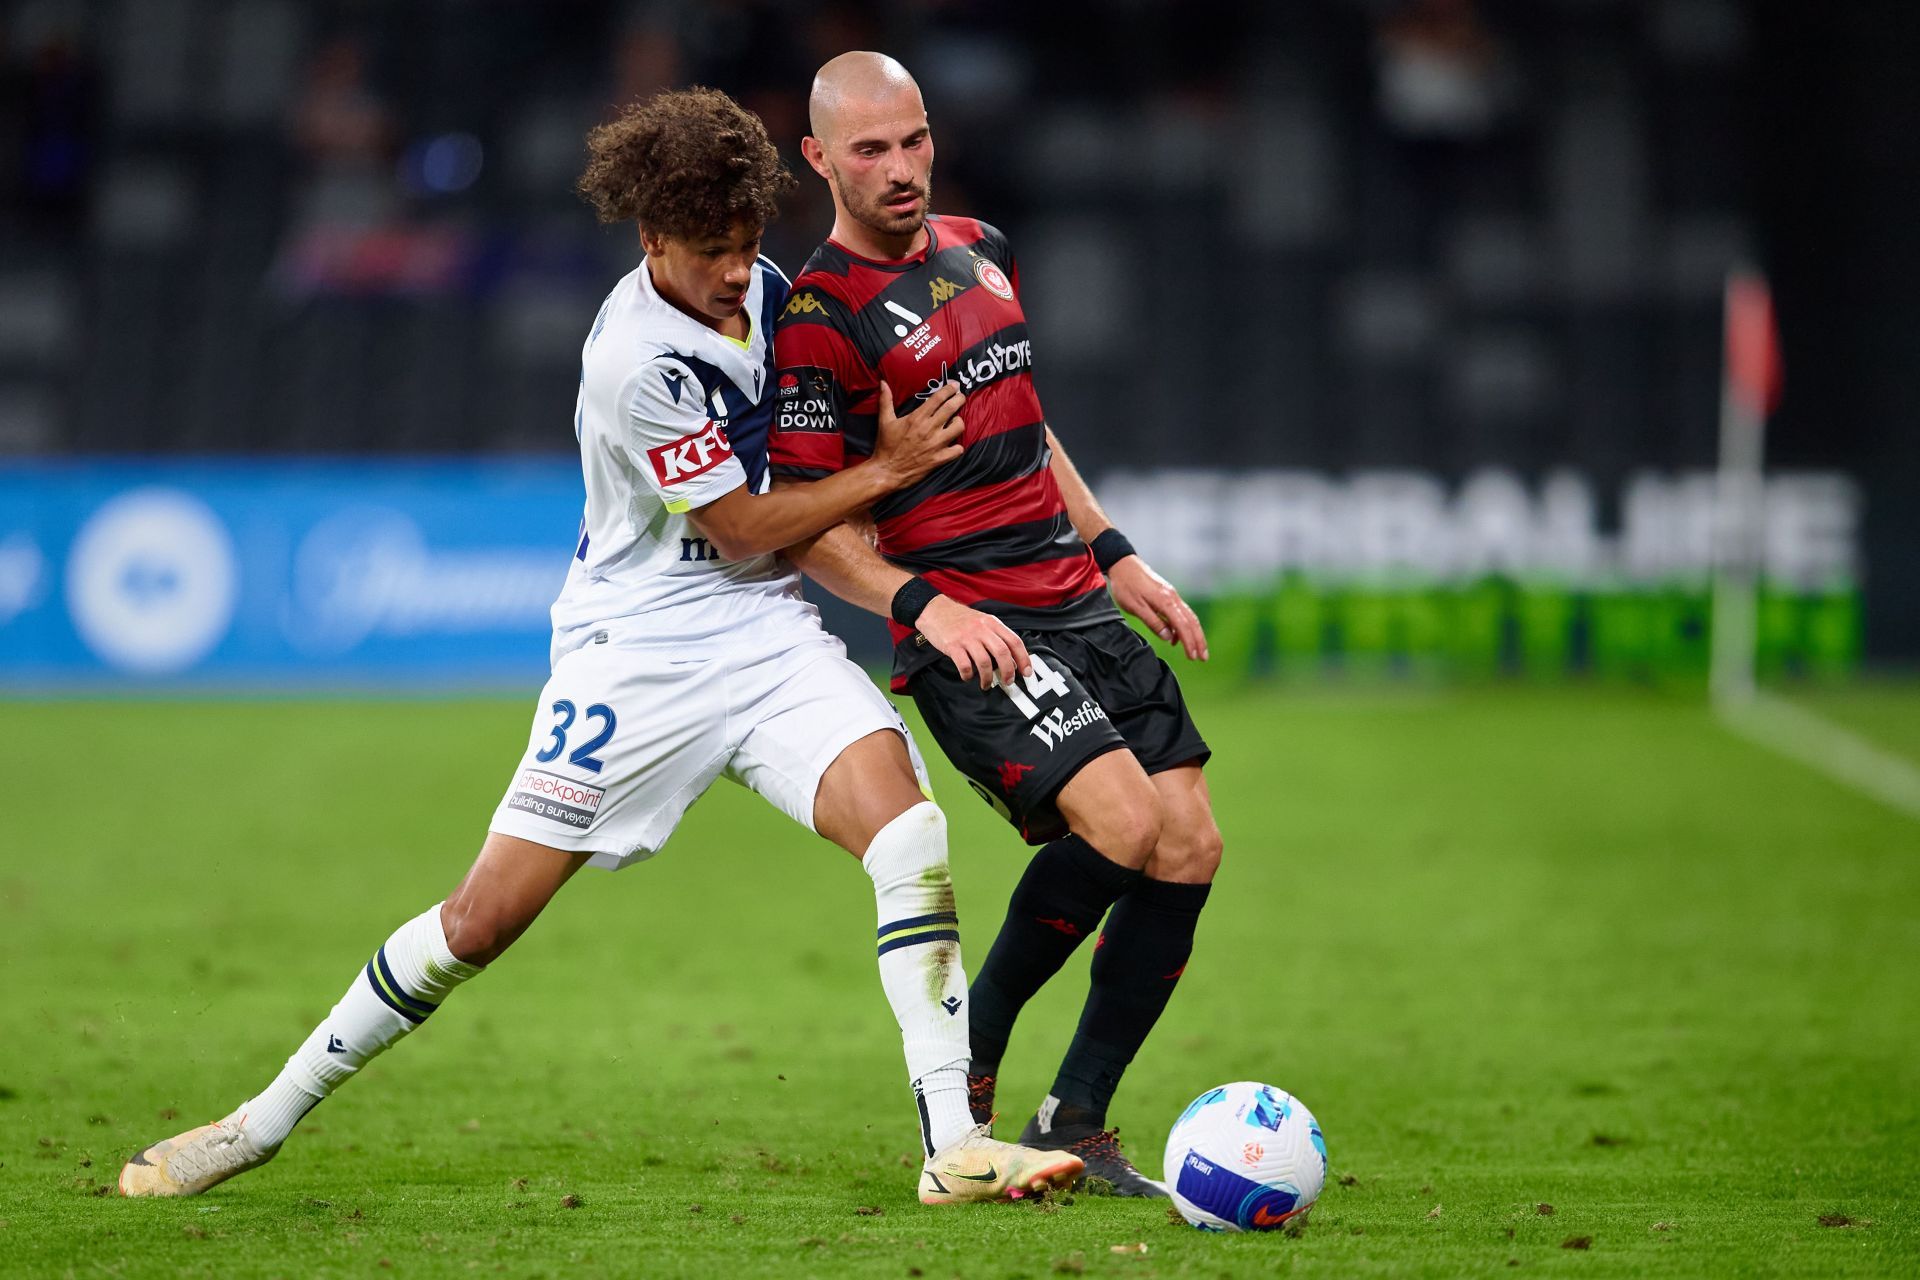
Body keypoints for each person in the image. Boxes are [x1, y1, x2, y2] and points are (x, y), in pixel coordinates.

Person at [120, 87, 1082, 1207]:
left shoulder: (768, 291)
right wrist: (889, 469)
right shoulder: (636, 362)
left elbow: (801, 472)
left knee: (907, 829)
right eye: (712, 252)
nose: (738, 272)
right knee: (482, 920)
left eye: (749, 244)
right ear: (651, 237)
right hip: (637, 652)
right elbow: (744, 525)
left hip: (765, 634)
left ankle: (953, 1143)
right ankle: (258, 1120)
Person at [768, 53, 1224, 1199]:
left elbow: (1027, 423)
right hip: (976, 626)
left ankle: (1080, 1111)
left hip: (1073, 593)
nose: (900, 168)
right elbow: (806, 525)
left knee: (1190, 841)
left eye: (912, 139)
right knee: (1121, 821)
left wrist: (1118, 554)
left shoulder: (982, 246)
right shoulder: (820, 318)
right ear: (819, 160)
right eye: (868, 151)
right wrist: (923, 603)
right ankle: (969, 1067)